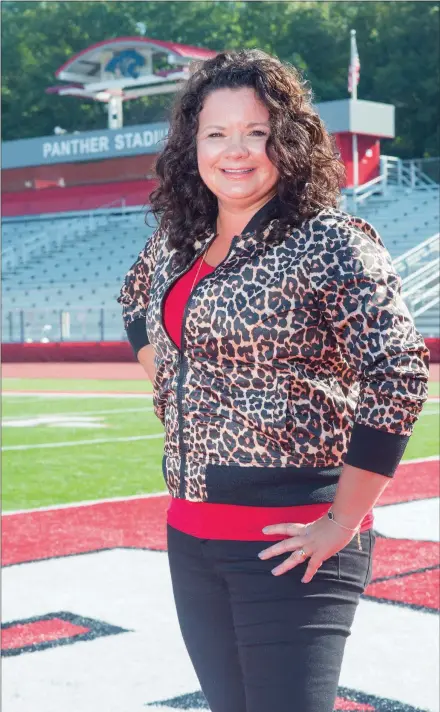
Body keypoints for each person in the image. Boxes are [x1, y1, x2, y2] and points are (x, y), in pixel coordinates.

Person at [117, 49, 430, 712]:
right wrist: (167, 383)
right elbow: (132, 300)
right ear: (191, 145)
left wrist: (344, 517)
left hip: (290, 542)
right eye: (216, 134)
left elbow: (399, 370)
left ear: (286, 141)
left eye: (255, 132)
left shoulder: (330, 240)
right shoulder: (177, 241)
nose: (235, 151)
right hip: (191, 533)